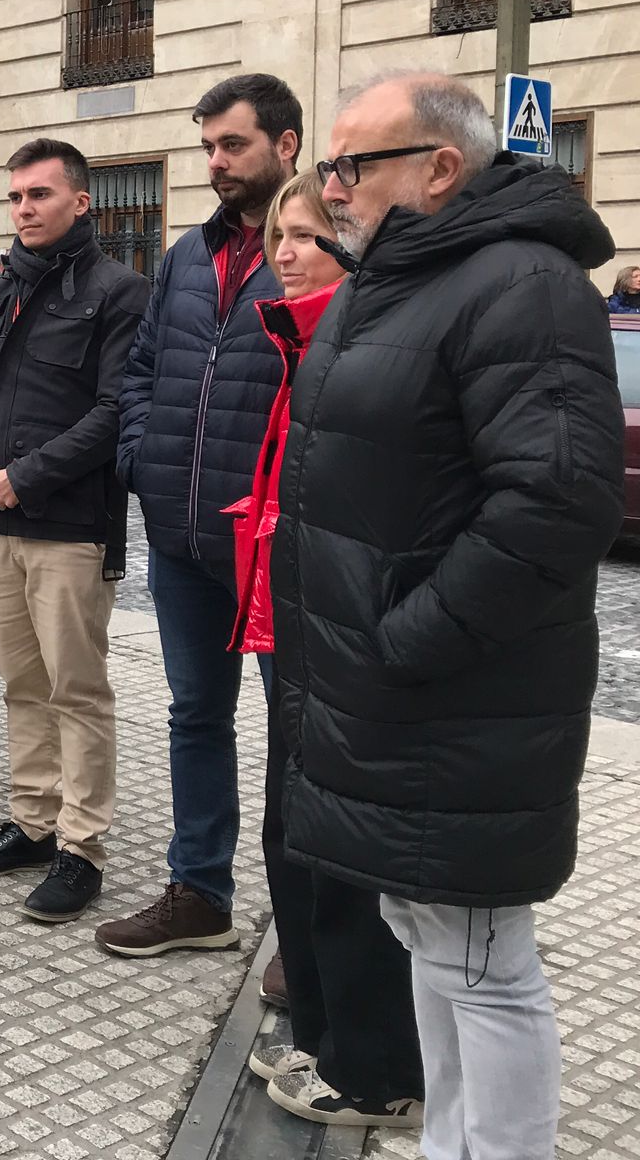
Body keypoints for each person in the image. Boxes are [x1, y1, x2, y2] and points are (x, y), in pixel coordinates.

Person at [275, 73, 619, 1149]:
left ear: (438, 168)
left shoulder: (521, 283)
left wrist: (408, 637)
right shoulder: (397, 277)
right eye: (329, 164)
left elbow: (555, 502)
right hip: (383, 690)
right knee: (432, 940)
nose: (332, 188)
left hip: (453, 695)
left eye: (352, 165)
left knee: (482, 964)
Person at [212, 168, 424, 1126]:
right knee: (292, 836)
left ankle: (375, 1070)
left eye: (302, 236)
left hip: (346, 634)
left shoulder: (366, 342)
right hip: (293, 620)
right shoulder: (306, 339)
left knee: (340, 851)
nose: (282, 254)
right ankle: (323, 1032)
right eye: (276, 238)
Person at [98, 72, 298, 957]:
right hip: (182, 536)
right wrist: (142, 461)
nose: (215, 161)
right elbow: (142, 368)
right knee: (195, 718)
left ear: (286, 145)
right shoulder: (186, 255)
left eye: (233, 145)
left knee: (300, 737)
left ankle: (307, 930)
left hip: (278, 546)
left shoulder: (322, 247)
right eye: (208, 146)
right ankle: (200, 892)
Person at [0, 139, 148, 922]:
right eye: (16, 196)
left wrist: (25, 475)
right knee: (23, 684)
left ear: (80, 202)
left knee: (76, 691)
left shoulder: (119, 292)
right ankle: (31, 823)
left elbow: (116, 411)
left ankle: (80, 848)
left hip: (69, 527)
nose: (24, 208)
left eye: (40, 195)